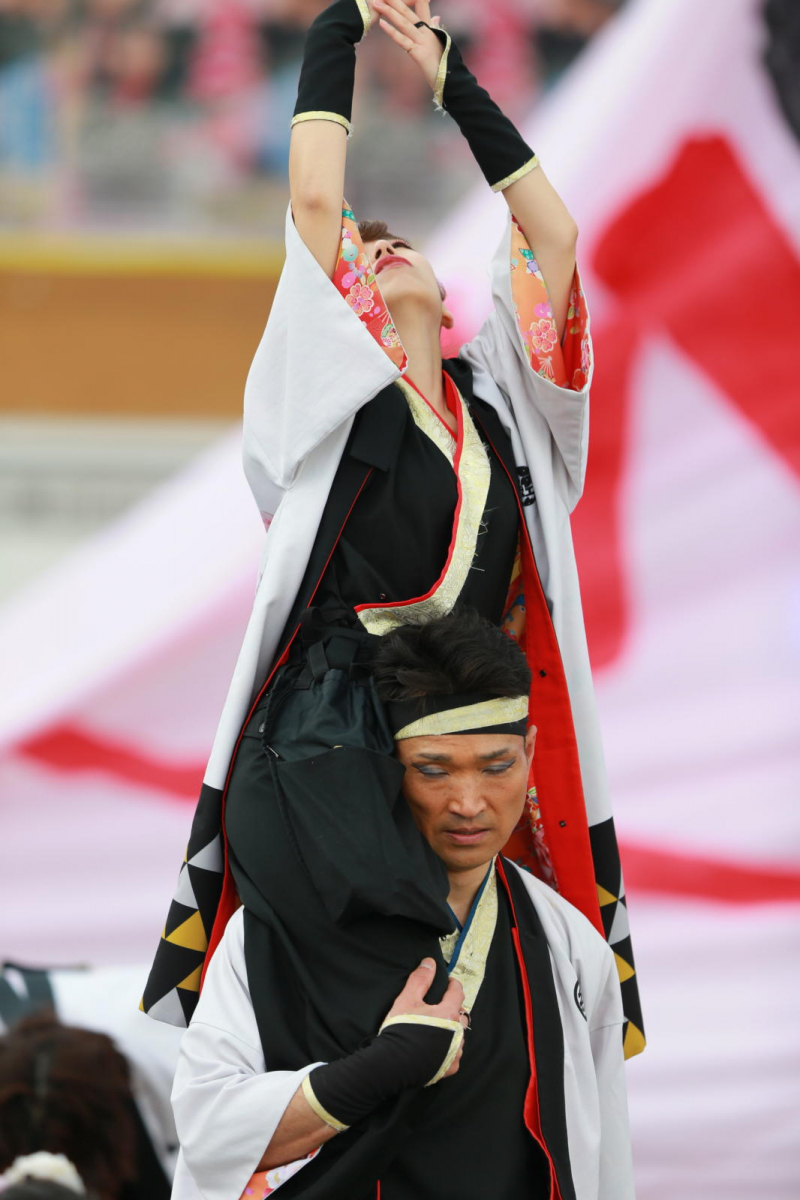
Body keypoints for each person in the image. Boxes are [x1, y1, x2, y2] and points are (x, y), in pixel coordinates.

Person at [142, 0, 643, 1060]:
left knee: (537, 978)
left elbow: (550, 235)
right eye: (363, 261)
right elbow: (318, 198)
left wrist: (453, 81)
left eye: (398, 243)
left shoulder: (502, 404)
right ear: (344, 309)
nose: (386, 252)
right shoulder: (321, 410)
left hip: (469, 736)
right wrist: (337, 27)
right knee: (385, 998)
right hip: (335, 744)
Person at [169, 610, 635, 1200]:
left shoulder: (568, 944)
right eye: (432, 770)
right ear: (386, 768)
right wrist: (381, 1067)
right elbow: (208, 1131)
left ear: (531, 749)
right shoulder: (273, 931)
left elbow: (605, 1161)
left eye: (498, 766)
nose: (469, 803)